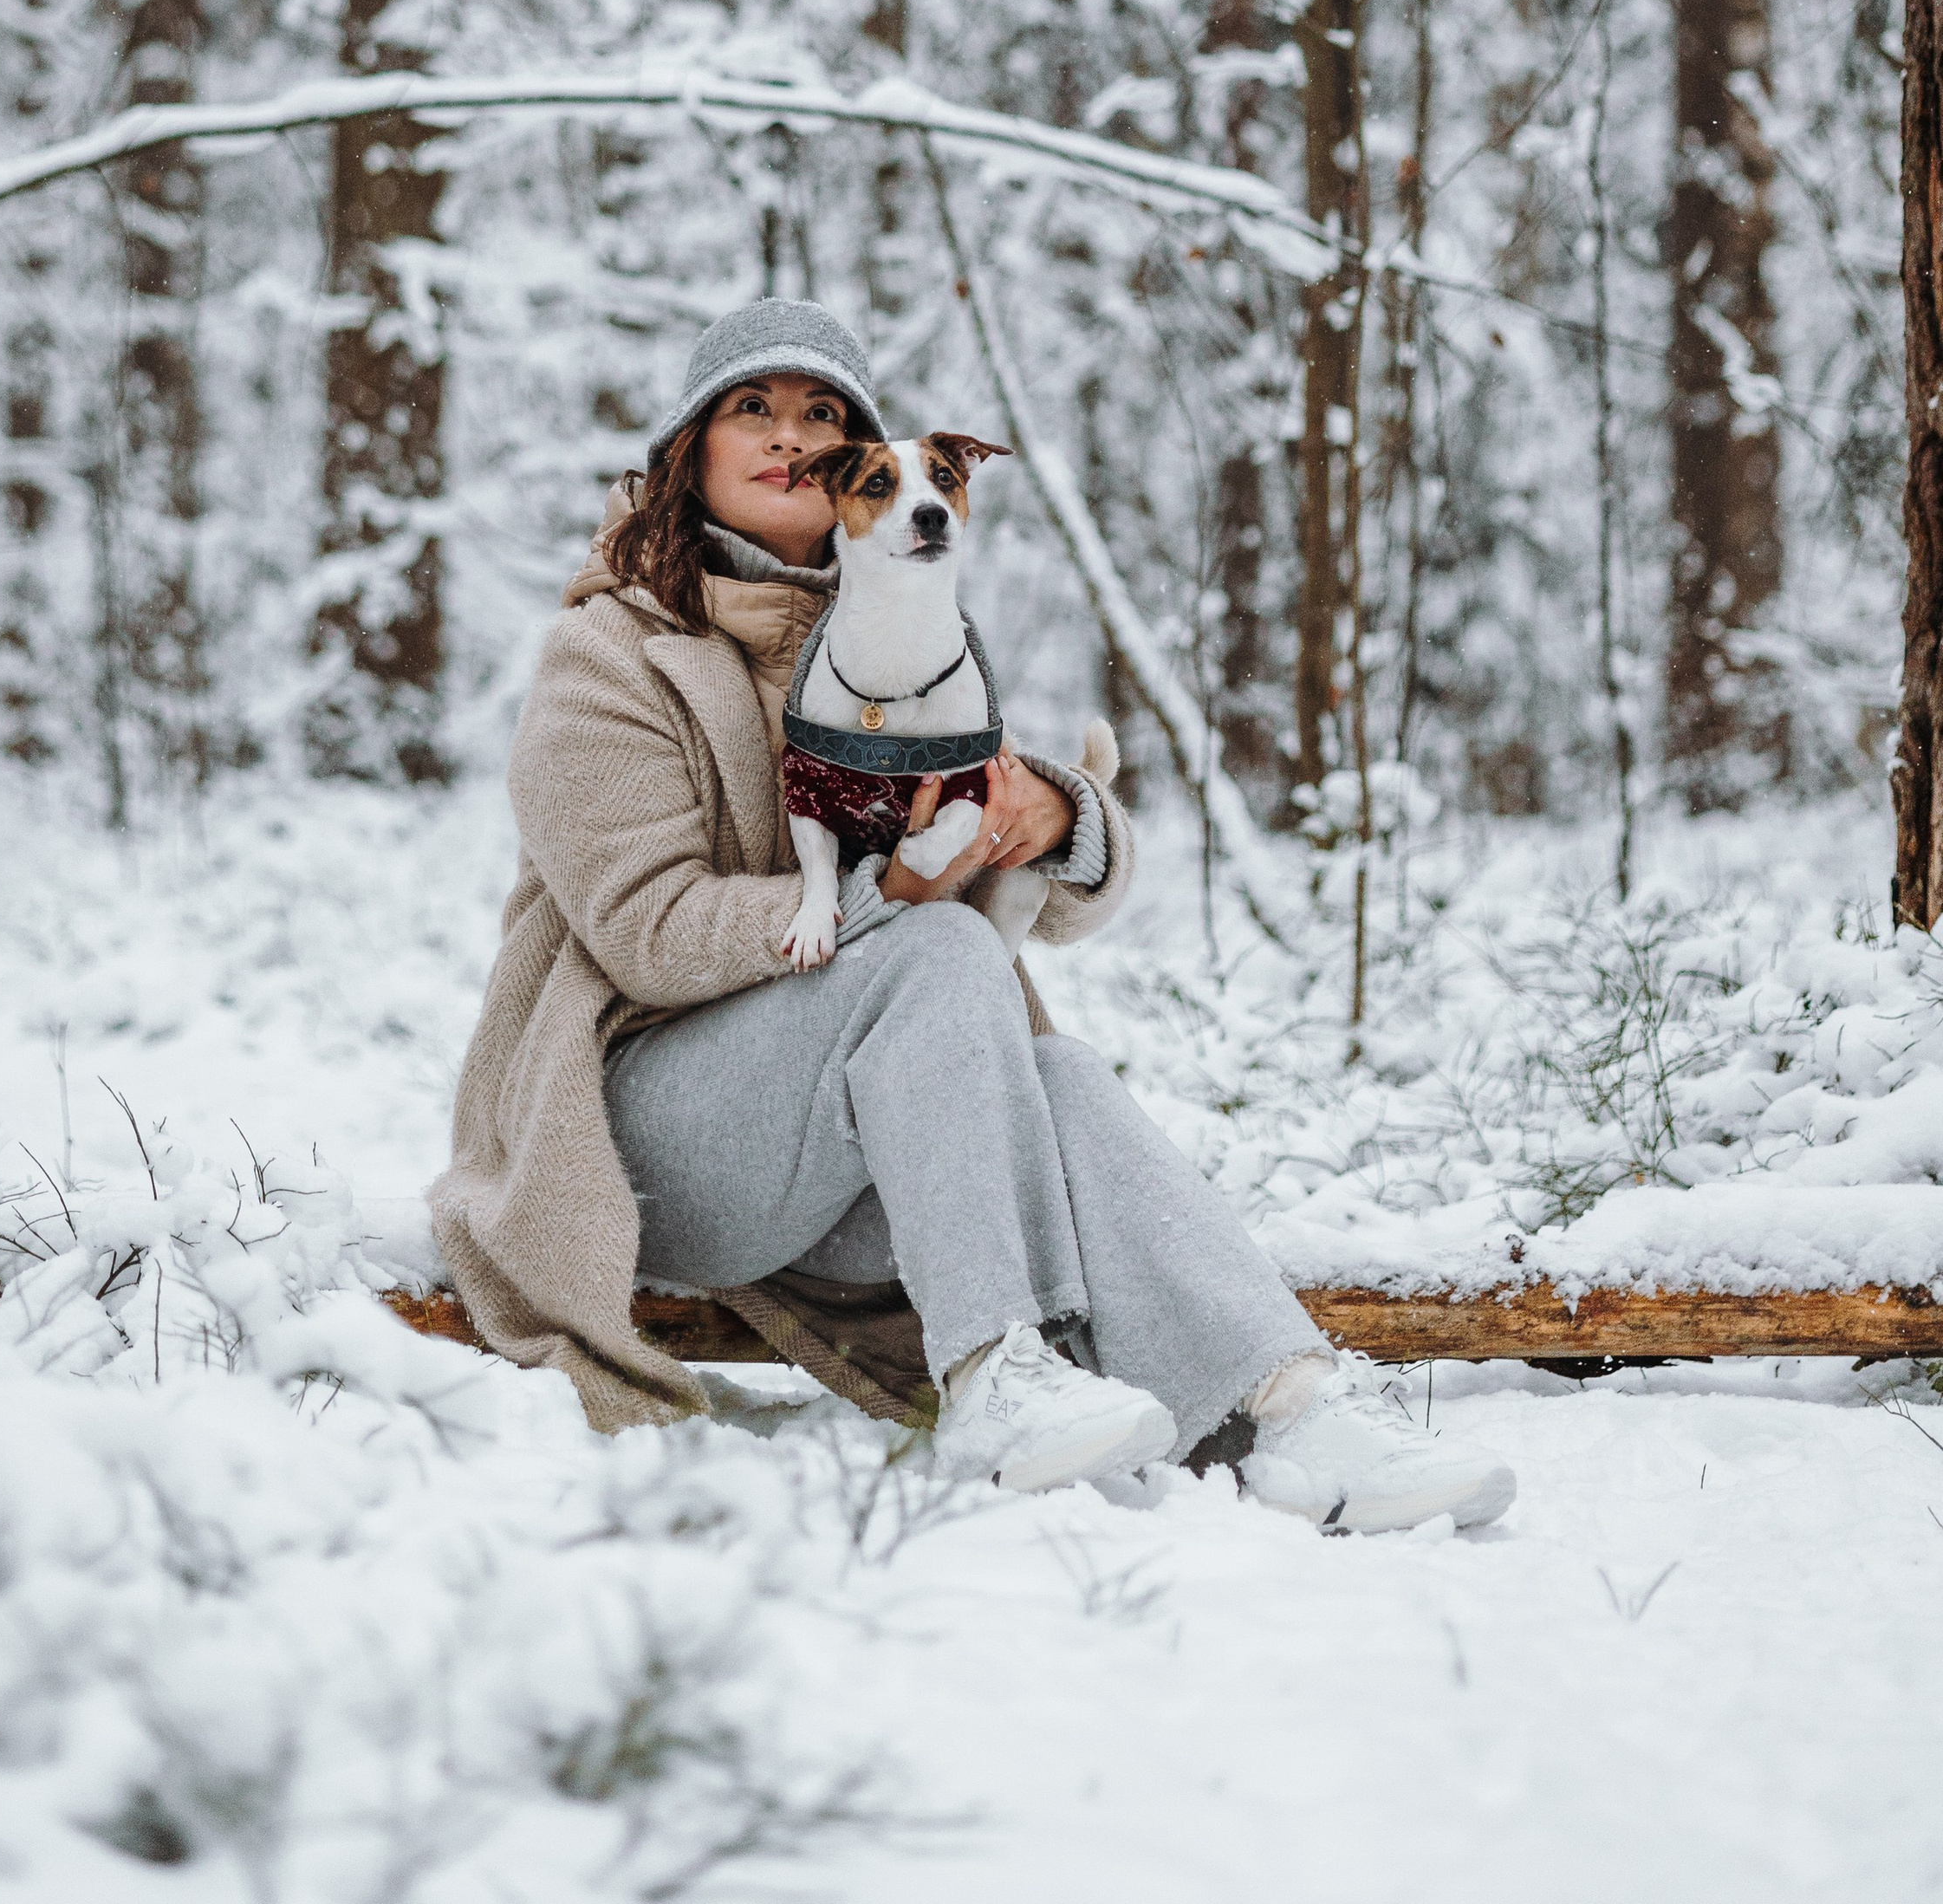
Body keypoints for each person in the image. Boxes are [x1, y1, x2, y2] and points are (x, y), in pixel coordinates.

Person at [432, 298, 1514, 1533]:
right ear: (690, 451)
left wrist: (1058, 816)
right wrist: (877, 907)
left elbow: (1029, 862)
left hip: (841, 1163)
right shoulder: (611, 654)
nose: (790, 436)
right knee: (941, 950)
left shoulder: (897, 636)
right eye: (755, 409)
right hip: (652, 1149)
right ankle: (995, 1378)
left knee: (1057, 1077)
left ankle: (1297, 1408)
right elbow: (645, 929)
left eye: (822, 414)